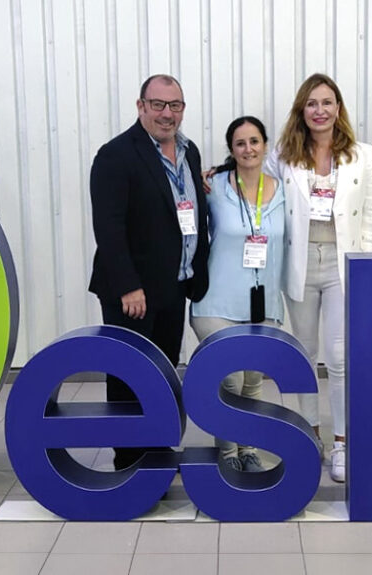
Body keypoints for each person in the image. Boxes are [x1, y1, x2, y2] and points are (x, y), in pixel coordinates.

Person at [264, 73, 372, 483]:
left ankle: (343, 442)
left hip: (341, 262)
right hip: (298, 262)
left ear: (338, 108)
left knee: (339, 357)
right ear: (302, 109)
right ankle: (308, 435)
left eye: (327, 102)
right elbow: (260, 197)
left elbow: (369, 217)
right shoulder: (281, 155)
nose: (320, 110)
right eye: (312, 103)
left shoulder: (361, 155)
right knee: (303, 353)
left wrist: (368, 271)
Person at [89, 74, 209, 471]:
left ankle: (155, 451)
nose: (166, 114)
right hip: (133, 293)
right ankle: (128, 461)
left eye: (175, 105)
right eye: (158, 104)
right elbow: (109, 228)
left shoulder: (189, 152)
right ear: (140, 106)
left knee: (162, 374)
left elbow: (191, 213)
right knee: (129, 378)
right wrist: (128, 286)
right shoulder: (116, 155)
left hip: (173, 286)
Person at [190, 116, 285, 473]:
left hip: (263, 303)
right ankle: (227, 455)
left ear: (265, 145)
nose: (248, 149)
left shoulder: (283, 190)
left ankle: (248, 448)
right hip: (216, 301)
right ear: (232, 149)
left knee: (252, 382)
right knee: (228, 379)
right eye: (241, 143)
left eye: (255, 141)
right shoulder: (213, 186)